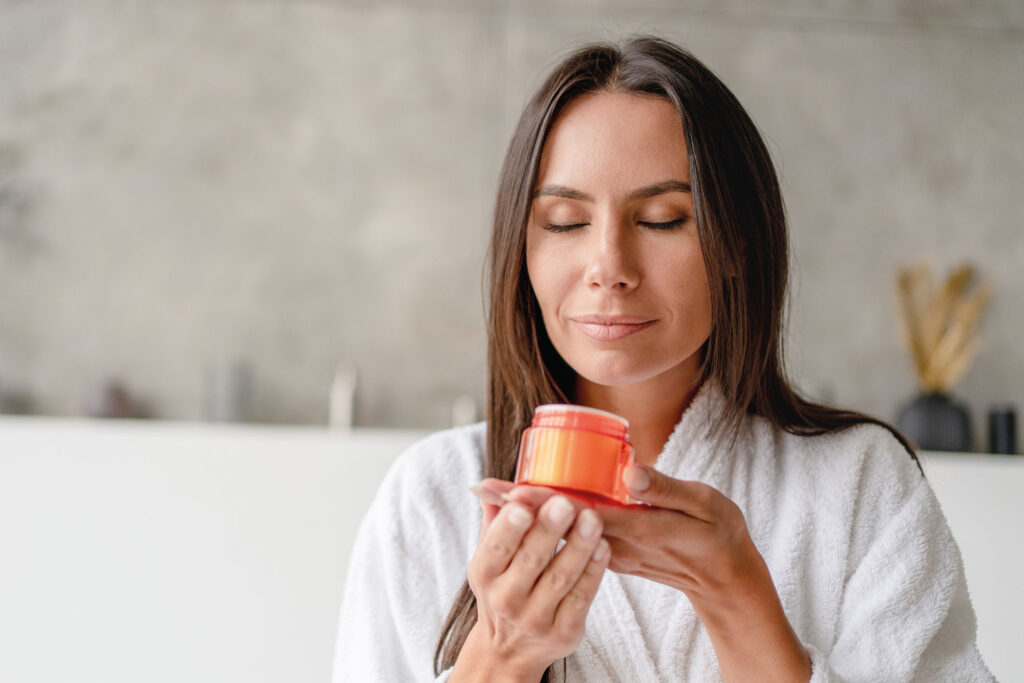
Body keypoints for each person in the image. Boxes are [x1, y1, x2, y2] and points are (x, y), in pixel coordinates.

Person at [333, 36, 994, 682]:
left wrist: (739, 598)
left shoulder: (860, 483)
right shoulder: (430, 496)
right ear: (522, 248)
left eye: (661, 219)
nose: (609, 267)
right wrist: (500, 658)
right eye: (565, 222)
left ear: (736, 243)